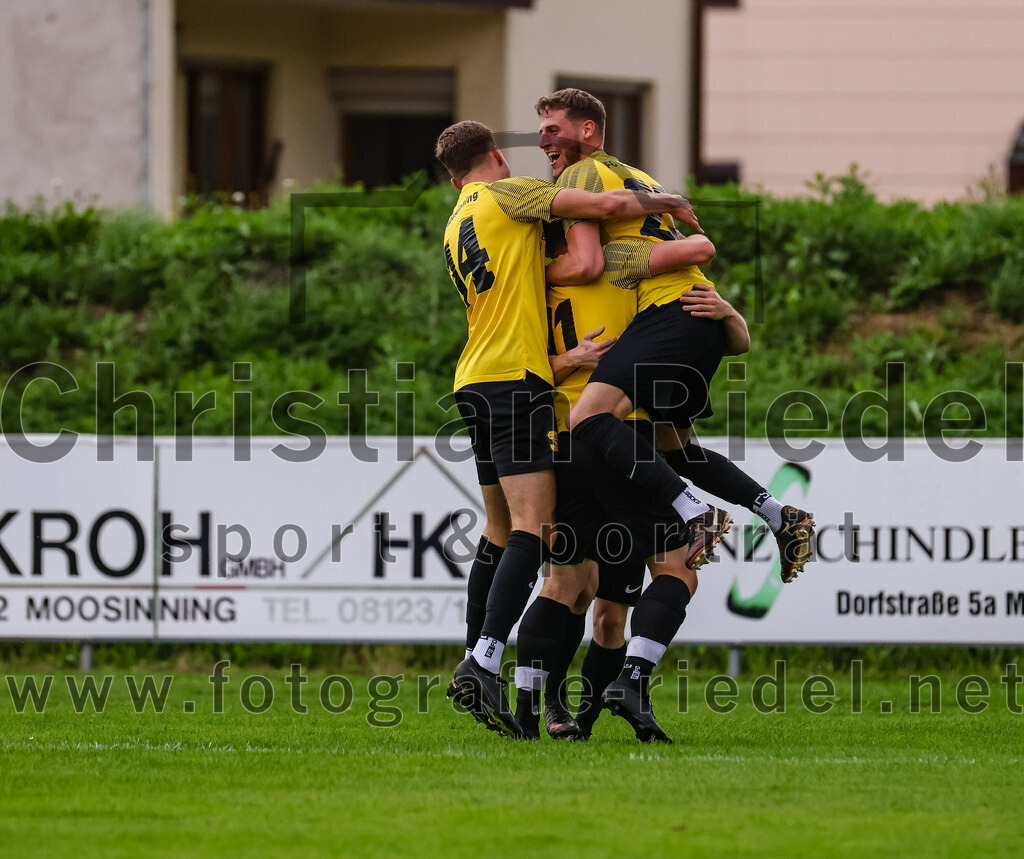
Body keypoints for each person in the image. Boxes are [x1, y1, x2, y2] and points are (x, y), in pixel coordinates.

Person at [435, 120, 702, 737]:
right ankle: (481, 662)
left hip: (474, 380)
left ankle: (484, 659)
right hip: (520, 384)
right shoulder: (510, 194)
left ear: (452, 178)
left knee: (502, 529)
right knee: (539, 529)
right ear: (497, 159)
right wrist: (663, 200)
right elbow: (604, 207)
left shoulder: (456, 222)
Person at [536, 88, 814, 582]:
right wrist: (728, 311)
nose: (543, 141)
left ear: (587, 131)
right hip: (700, 321)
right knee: (675, 450)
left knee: (589, 419)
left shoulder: (582, 174)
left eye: (552, 130)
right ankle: (779, 515)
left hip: (669, 315)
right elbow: (698, 266)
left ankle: (695, 514)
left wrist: (533, 273)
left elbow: (586, 262)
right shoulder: (640, 178)